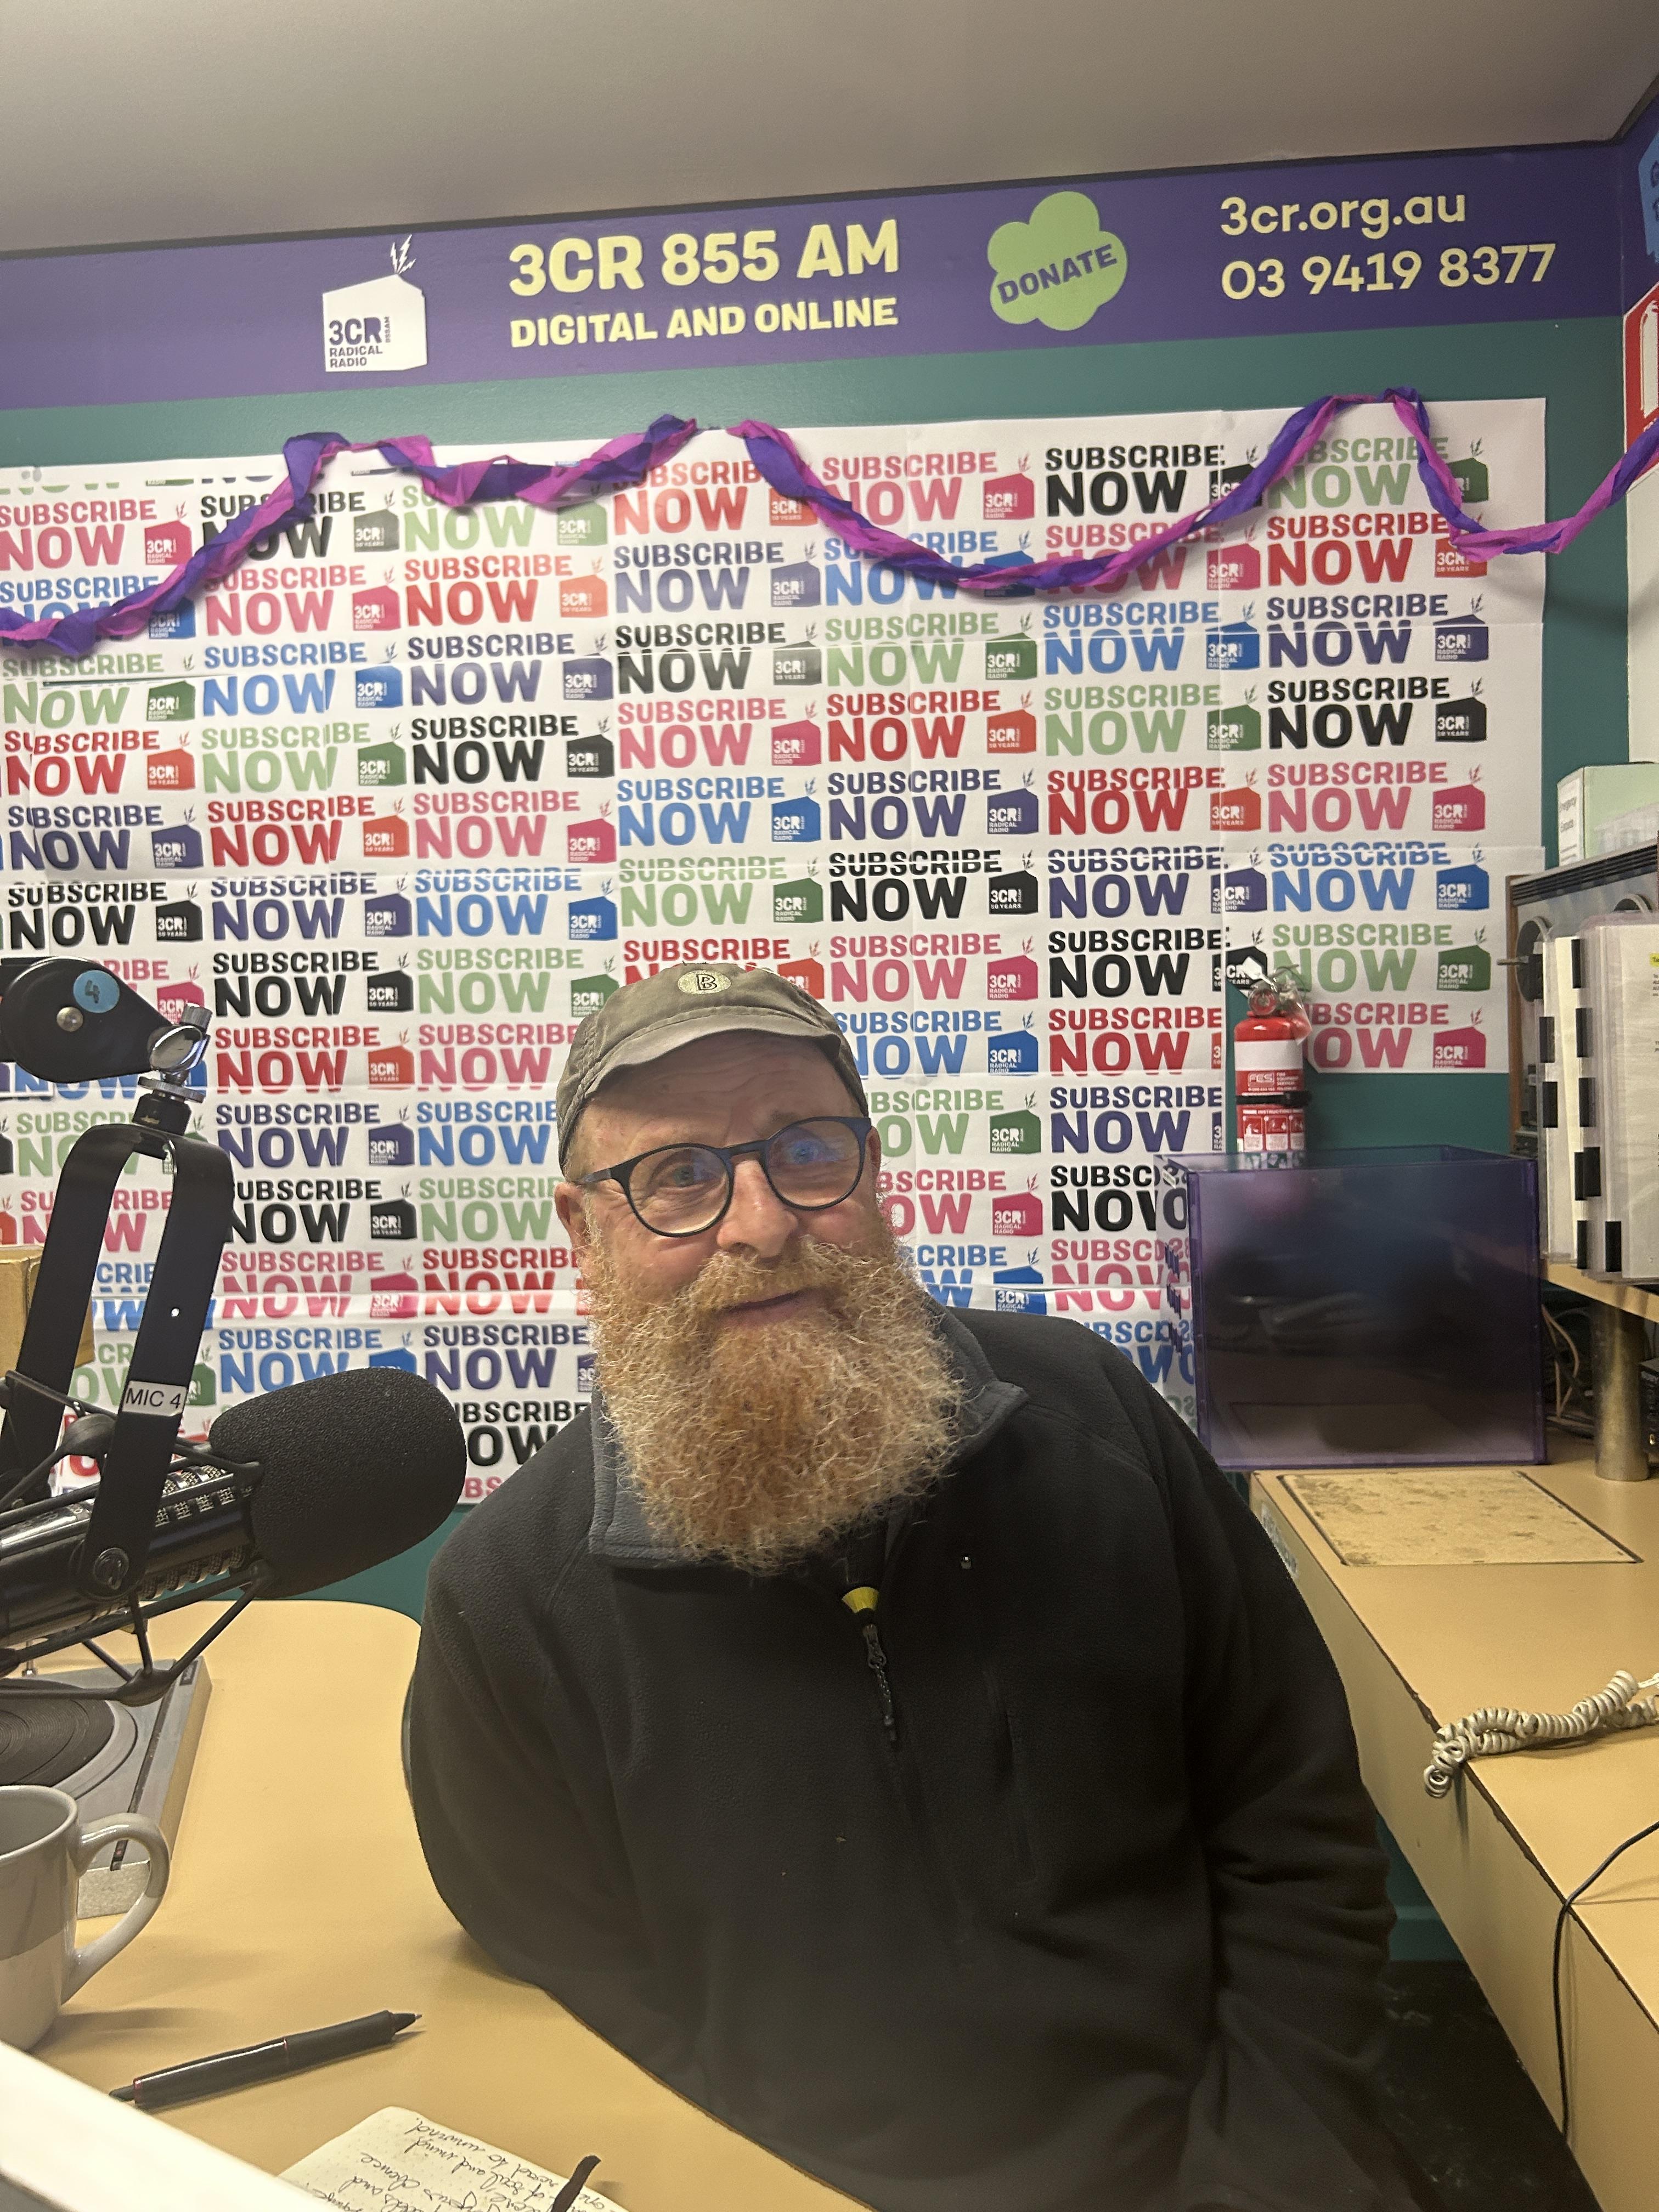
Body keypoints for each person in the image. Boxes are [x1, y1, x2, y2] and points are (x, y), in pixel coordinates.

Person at [407, 962, 1424, 2212]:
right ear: (585, 1229)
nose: (759, 1223)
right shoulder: (509, 1603)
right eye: (677, 1176)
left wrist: (1262, 2185)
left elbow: (1294, 1835)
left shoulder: (1098, 1425)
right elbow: (590, 2034)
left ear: (873, 1168)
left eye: (806, 1150)